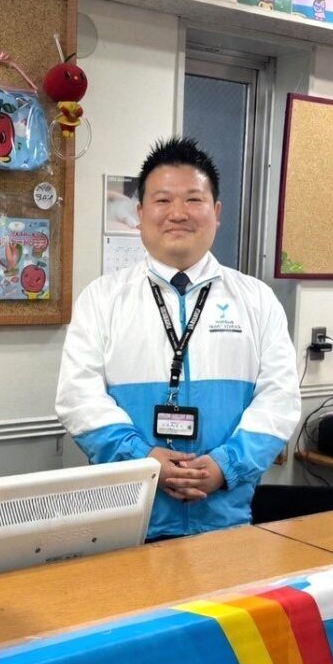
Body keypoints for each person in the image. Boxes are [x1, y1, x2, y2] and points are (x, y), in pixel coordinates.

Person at [56, 137, 301, 539]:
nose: (178, 213)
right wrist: (143, 460)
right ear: (140, 214)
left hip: (225, 524)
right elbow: (78, 398)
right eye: (163, 200)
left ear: (216, 212)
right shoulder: (102, 299)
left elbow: (280, 399)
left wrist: (226, 465)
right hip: (128, 524)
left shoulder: (257, 300)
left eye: (193, 199)